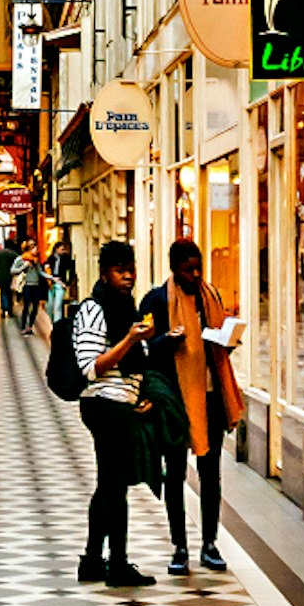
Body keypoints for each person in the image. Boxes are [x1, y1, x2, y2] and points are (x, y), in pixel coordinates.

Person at [139, 238, 242, 575]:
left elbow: (217, 343)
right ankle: (179, 546)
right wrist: (166, 341)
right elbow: (142, 349)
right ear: (174, 268)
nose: (195, 274)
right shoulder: (157, 300)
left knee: (211, 472)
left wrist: (227, 340)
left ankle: (209, 544)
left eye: (198, 268)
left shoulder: (210, 296)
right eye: (188, 269)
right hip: (175, 397)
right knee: (176, 474)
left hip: (210, 397)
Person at [71, 238, 155, 587]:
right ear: (105, 273)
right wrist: (131, 340)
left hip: (122, 403)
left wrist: (143, 391)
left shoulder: (126, 307)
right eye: (121, 271)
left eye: (131, 270)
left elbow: (138, 362)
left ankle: (93, 561)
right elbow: (91, 367)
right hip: (103, 404)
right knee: (115, 486)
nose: (128, 277)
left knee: (109, 485)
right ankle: (116, 564)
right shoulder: (93, 310)